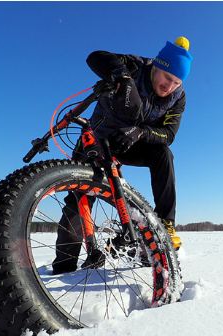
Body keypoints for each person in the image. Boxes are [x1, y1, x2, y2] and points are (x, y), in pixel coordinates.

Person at [51, 37, 193, 275]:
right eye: (168, 78)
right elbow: (95, 56)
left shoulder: (178, 98)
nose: (171, 86)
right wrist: (122, 76)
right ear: (157, 67)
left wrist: (140, 132)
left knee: (163, 154)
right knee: (78, 201)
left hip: (128, 142)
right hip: (95, 139)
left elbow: (168, 134)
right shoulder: (136, 66)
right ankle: (64, 267)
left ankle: (165, 224)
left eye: (177, 82)